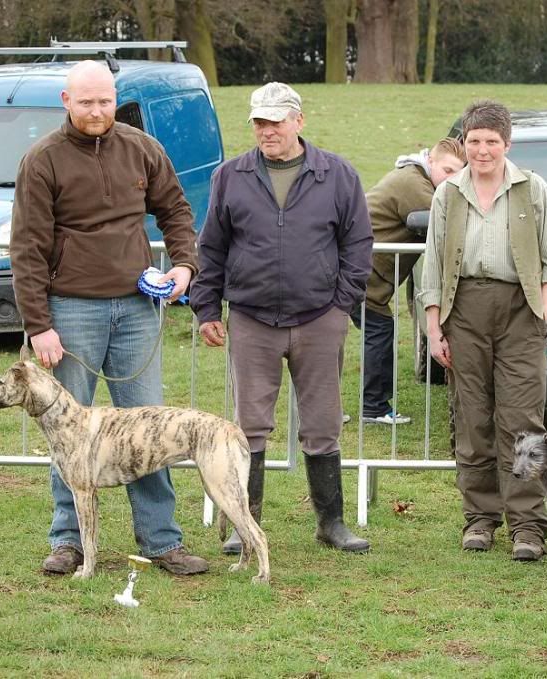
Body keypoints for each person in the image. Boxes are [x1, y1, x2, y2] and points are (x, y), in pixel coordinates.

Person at [10, 60, 206, 576]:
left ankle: (163, 540)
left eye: (105, 101)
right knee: (66, 431)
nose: (97, 112)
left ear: (115, 99)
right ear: (66, 101)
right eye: (87, 102)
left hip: (138, 310)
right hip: (69, 312)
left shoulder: (143, 148)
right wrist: (38, 325)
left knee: (149, 429)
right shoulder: (42, 160)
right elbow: (27, 246)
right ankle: (67, 540)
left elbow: (177, 212)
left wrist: (184, 263)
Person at [189, 82, 373, 555]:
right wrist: (207, 307)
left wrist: (341, 305)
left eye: (275, 121)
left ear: (298, 121)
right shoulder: (230, 176)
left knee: (323, 422)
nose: (267, 130)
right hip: (251, 318)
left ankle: (331, 524)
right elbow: (212, 247)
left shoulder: (338, 175)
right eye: (259, 122)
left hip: (319, 318)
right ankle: (243, 525)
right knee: (249, 426)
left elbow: (357, 244)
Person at [418, 100, 547, 561]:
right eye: (474, 141)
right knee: (473, 418)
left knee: (521, 421)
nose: (482, 150)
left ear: (507, 144)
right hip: (464, 311)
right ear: (464, 142)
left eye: (491, 142)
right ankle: (480, 518)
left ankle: (527, 526)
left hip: (520, 312)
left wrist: (542, 309)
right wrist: (433, 328)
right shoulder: (448, 195)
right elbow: (434, 261)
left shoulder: (533, 189)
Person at [357, 137, 466, 425]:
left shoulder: (418, 178)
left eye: (460, 173)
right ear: (430, 160)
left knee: (369, 332)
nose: (452, 179)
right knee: (377, 332)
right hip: (356, 275)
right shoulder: (414, 184)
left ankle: (357, 407)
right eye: (447, 170)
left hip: (362, 275)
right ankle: (373, 407)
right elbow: (445, 223)